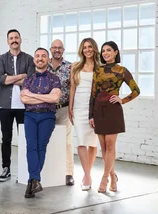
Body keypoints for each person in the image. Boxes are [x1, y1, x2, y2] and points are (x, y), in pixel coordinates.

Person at [89, 41, 140, 193]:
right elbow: (93, 94)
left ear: (116, 52)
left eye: (109, 50)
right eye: (103, 51)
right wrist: (91, 115)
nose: (105, 53)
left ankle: (104, 178)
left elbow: (136, 90)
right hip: (98, 110)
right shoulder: (97, 70)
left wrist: (122, 100)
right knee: (103, 147)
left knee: (110, 146)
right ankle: (113, 176)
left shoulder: (121, 70)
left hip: (113, 111)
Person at [21, 48, 61, 198]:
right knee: (31, 146)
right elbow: (24, 99)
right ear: (34, 60)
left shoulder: (54, 78)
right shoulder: (28, 79)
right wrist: (45, 96)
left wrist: (32, 95)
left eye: (43, 56)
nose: (40, 58)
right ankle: (35, 180)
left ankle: (32, 181)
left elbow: (54, 99)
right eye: (37, 56)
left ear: (48, 60)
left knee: (40, 147)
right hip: (30, 116)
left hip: (47, 116)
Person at [0, 29, 35, 182]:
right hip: (5, 104)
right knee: (6, 138)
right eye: (11, 38)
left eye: (16, 37)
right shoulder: (1, 59)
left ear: (20, 39)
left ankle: (25, 170)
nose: (14, 40)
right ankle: (6, 169)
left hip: (24, 105)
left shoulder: (29, 59)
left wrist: (9, 78)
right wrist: (21, 76)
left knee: (25, 138)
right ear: (7, 41)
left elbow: (30, 81)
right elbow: (0, 79)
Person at [69, 38, 100, 191]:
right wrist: (70, 107)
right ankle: (87, 175)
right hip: (79, 107)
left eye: (90, 47)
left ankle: (87, 174)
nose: (87, 50)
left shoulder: (100, 67)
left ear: (94, 49)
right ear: (81, 50)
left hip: (94, 108)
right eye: (84, 47)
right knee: (81, 142)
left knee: (93, 143)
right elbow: (72, 89)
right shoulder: (75, 66)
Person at [48, 39, 74, 186]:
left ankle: (68, 173)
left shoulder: (70, 67)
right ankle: (49, 169)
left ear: (63, 50)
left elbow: (73, 89)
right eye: (54, 48)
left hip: (63, 109)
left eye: (60, 48)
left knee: (66, 142)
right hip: (47, 109)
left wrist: (71, 108)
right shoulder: (44, 65)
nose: (57, 50)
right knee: (47, 139)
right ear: (50, 49)